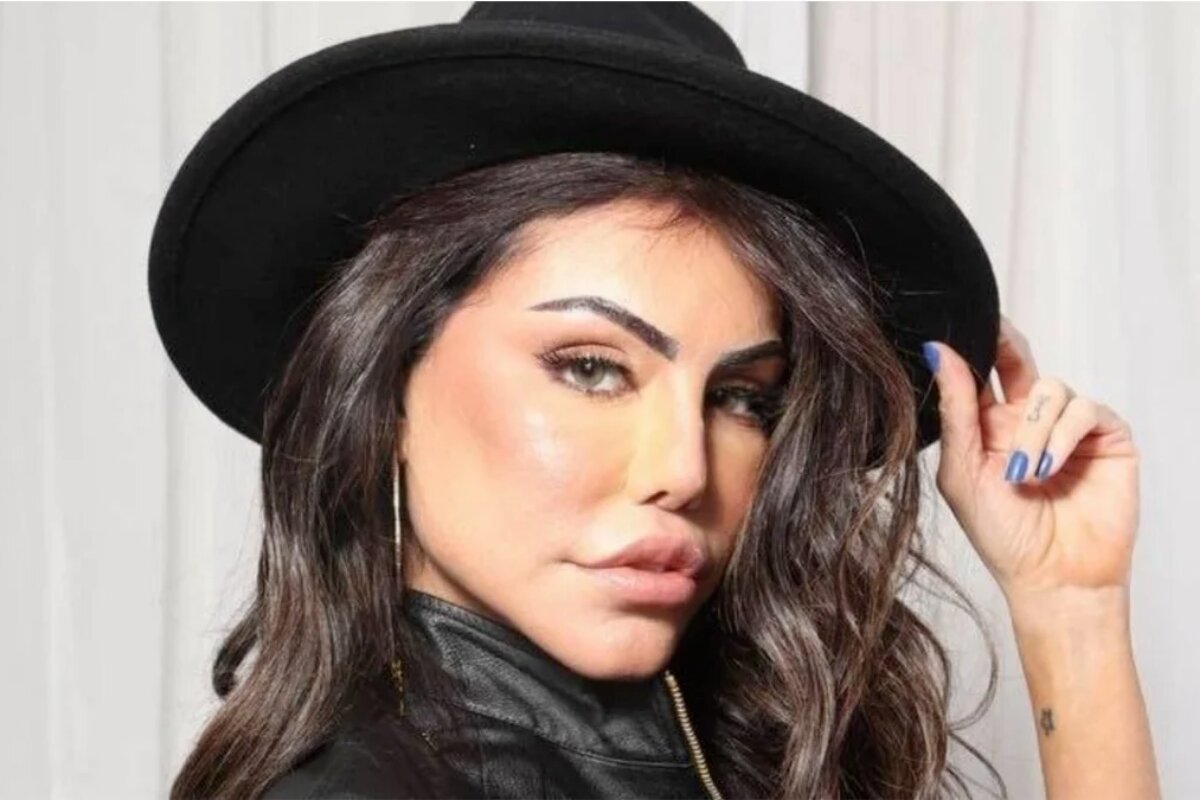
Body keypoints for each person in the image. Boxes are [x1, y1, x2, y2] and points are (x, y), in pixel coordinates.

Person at [148, 4, 1160, 799]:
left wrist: (1069, 610)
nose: (684, 468)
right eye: (592, 367)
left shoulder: (744, 756)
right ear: (389, 391)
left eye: (744, 398)